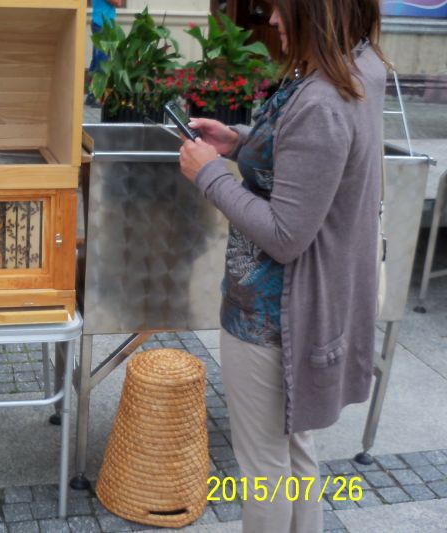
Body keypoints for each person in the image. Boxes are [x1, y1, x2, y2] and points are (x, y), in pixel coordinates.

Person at [178, 1, 386, 531]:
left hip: (272, 319)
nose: (271, 21)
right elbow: (310, 167)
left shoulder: (323, 99)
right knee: (295, 457)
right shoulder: (358, 68)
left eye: (281, 8)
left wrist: (211, 176)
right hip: (302, 312)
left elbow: (286, 235)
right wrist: (241, 143)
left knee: (265, 470)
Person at [85, 0, 123, 105]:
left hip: (101, 23)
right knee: (103, 61)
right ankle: (96, 96)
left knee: (97, 60)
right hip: (102, 24)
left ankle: (91, 95)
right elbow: (118, 2)